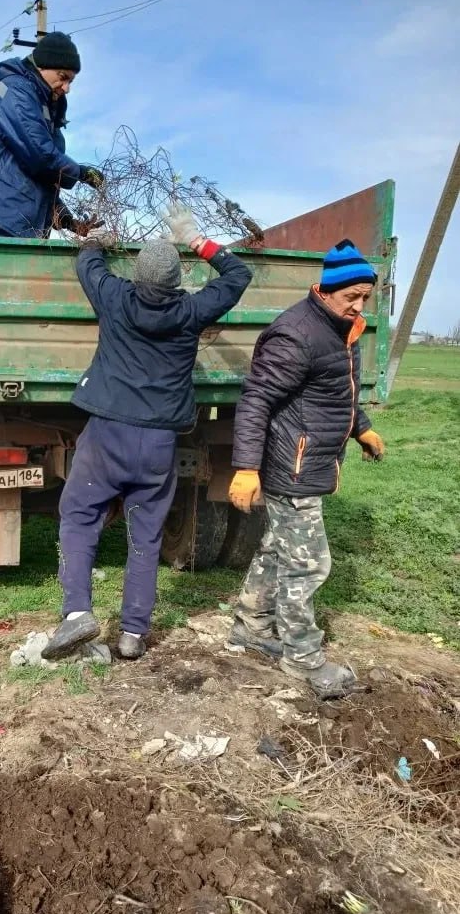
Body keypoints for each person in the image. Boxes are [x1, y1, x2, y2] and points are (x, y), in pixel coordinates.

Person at [41, 209, 253, 660]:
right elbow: (238, 275)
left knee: (79, 517)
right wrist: (196, 240)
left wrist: (97, 238)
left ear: (137, 276)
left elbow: (87, 263)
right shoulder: (192, 310)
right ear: (177, 282)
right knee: (145, 536)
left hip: (106, 436)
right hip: (158, 444)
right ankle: (132, 635)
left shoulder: (115, 297)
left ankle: (77, 613)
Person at [225, 239, 386, 699]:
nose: (358, 306)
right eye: (350, 296)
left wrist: (363, 429)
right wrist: (245, 468)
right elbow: (256, 400)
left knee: (278, 550)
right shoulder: (297, 333)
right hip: (290, 465)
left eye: (364, 298)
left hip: (310, 459)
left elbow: (338, 390)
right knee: (309, 564)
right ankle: (302, 657)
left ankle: (252, 627)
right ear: (326, 290)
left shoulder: (341, 328)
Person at [0, 31, 103, 238]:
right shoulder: (17, 90)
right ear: (43, 65)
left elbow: (39, 177)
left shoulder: (40, 102)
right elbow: (40, 156)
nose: (67, 88)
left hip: (2, 206)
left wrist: (68, 221)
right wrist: (81, 173)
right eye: (63, 77)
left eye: (72, 81)